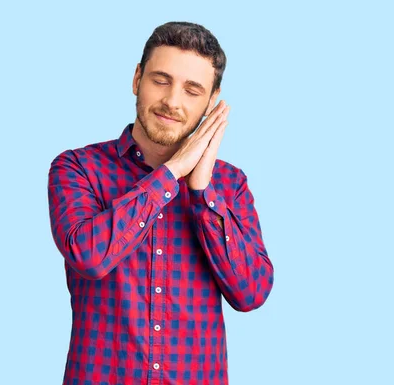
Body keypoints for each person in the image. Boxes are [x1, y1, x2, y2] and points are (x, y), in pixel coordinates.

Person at [48, 21, 274, 385]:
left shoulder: (230, 185)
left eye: (192, 90)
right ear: (137, 79)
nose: (172, 101)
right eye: (160, 80)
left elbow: (251, 292)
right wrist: (172, 173)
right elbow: (89, 256)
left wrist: (201, 192)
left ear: (211, 102)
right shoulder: (77, 168)